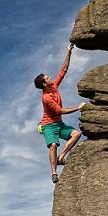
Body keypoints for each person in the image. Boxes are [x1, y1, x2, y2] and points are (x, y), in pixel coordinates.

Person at [34, 42, 85, 184]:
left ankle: (61, 158)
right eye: (48, 78)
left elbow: (63, 70)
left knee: (76, 134)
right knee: (53, 145)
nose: (51, 78)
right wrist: (78, 107)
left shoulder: (54, 86)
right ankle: (54, 173)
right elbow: (60, 110)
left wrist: (69, 51)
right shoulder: (46, 98)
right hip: (48, 125)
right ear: (44, 84)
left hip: (59, 123)